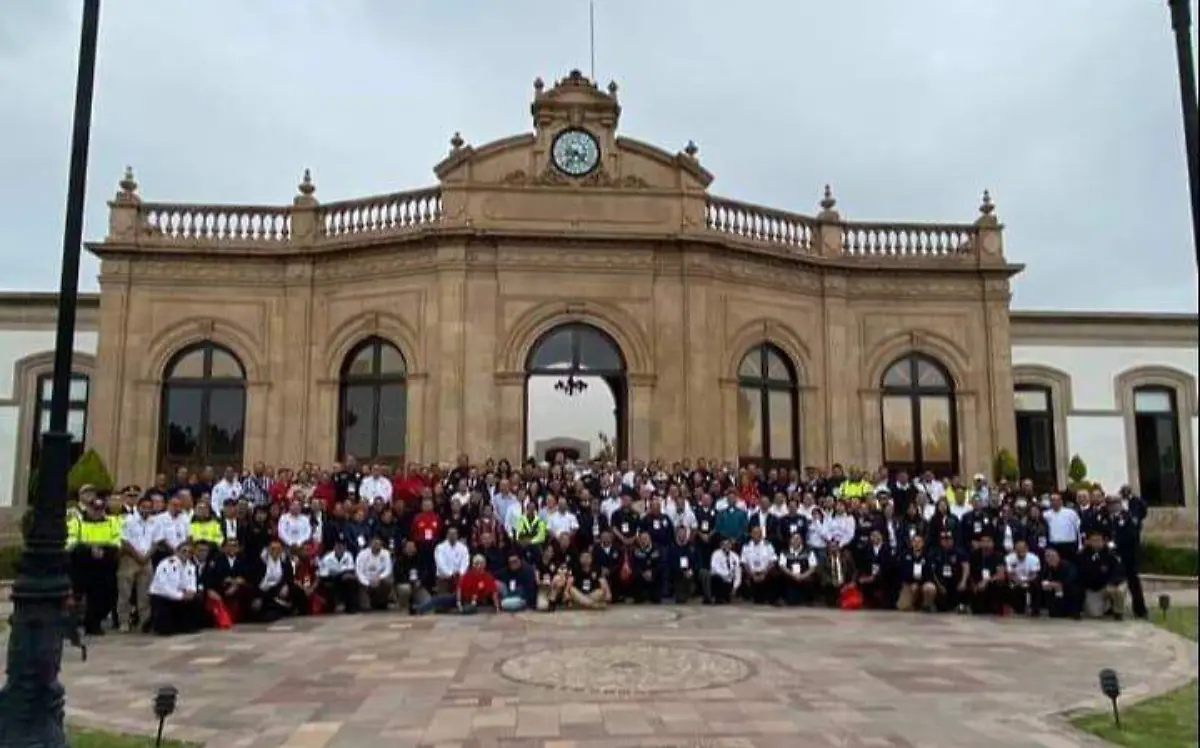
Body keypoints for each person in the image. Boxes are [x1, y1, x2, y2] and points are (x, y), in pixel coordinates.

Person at [117, 496, 157, 633]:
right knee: (125, 592)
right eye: (144, 507)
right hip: (130, 559)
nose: (146, 510)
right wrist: (137, 555)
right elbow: (124, 541)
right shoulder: (129, 520)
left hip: (147, 559)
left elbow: (156, 541)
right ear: (138, 507)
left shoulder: (154, 522)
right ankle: (123, 621)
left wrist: (147, 556)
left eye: (149, 507)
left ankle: (144, 622)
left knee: (145, 593)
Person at [148, 539, 203, 636]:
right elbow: (163, 587)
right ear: (177, 551)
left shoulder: (191, 566)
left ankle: (187, 626)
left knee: (196, 599)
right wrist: (180, 596)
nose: (186, 554)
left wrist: (191, 592)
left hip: (180, 595)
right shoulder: (166, 564)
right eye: (184, 551)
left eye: (189, 552)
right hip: (162, 597)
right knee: (166, 630)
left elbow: (192, 583)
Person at [1077, 530, 1127, 620]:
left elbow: (1119, 570)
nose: (1096, 543)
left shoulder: (1111, 554)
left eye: (1098, 540)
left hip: (1108, 586)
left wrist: (1112, 582)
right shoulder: (1083, 555)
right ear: (1088, 542)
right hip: (1093, 589)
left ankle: (1118, 612)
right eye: (1093, 540)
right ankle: (1107, 605)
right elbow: (1081, 573)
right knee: (1095, 614)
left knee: (1118, 590)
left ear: (1104, 542)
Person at [777, 530, 819, 606]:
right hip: (790, 577)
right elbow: (782, 566)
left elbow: (813, 567)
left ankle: (810, 600)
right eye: (794, 538)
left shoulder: (809, 551)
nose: (796, 540)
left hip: (804, 577)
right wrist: (793, 575)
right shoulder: (784, 551)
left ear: (802, 540)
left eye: (798, 538)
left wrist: (803, 576)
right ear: (790, 540)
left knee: (813, 578)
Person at [317, 537, 359, 613]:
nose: (340, 549)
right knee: (338, 580)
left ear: (345, 548)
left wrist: (343, 574)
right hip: (330, 577)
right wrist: (339, 574)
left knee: (351, 580)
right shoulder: (327, 558)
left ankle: (351, 607)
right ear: (334, 547)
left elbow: (350, 568)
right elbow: (323, 573)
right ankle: (339, 603)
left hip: (345, 577)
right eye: (338, 546)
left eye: (342, 547)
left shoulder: (348, 555)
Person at [355, 535, 394, 611]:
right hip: (365, 582)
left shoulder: (386, 553)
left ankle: (382, 602)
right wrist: (368, 583)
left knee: (388, 580)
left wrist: (379, 578)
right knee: (365, 608)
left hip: (379, 580)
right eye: (375, 544)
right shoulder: (362, 554)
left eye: (378, 544)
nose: (377, 546)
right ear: (370, 544)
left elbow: (388, 569)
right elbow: (359, 572)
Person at [1004, 538, 1042, 615]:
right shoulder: (1008, 558)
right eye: (1018, 549)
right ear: (1015, 550)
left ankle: (1035, 609)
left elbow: (1034, 574)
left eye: (1022, 549)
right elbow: (1010, 574)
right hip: (1015, 581)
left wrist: (1025, 581)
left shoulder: (1034, 558)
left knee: (1037, 584)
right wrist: (1017, 581)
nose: (1020, 551)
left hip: (1029, 580)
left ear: (1027, 549)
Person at [708, 537, 742, 604]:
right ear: (721, 545)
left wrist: (735, 588)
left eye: (728, 544)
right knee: (715, 578)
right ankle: (716, 598)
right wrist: (726, 575)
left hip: (730, 582)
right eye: (724, 544)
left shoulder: (735, 556)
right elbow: (714, 569)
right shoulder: (716, 554)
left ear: (731, 545)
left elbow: (738, 573)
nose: (726, 546)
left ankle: (727, 596)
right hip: (720, 579)